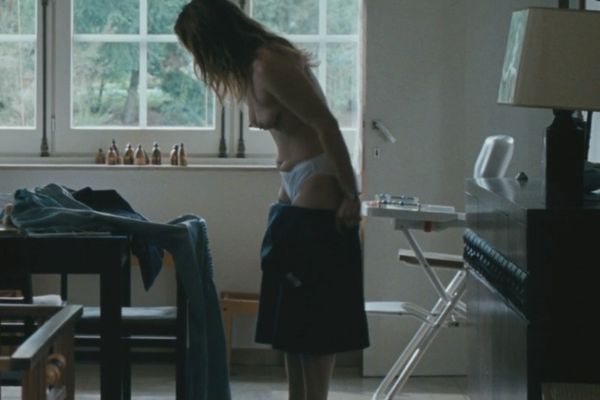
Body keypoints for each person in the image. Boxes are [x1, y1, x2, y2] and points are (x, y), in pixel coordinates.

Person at [175, 1, 369, 399]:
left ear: (213, 39)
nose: (198, 60)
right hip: (293, 184)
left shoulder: (269, 63)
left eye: (196, 49)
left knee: (314, 313)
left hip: (318, 179)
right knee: (293, 317)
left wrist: (352, 193)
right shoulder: (250, 68)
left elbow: (325, 123)